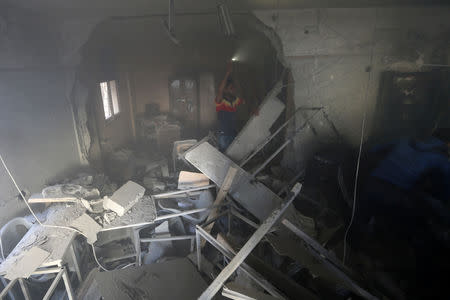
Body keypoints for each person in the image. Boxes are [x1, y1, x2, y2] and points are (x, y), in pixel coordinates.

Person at [215, 61, 244, 151]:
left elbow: (247, 101)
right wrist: (228, 73)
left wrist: (254, 107)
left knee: (233, 157)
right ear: (225, 90)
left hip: (233, 133)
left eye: (234, 88)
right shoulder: (220, 102)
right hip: (224, 135)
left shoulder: (235, 100)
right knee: (225, 157)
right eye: (231, 88)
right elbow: (220, 90)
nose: (234, 90)